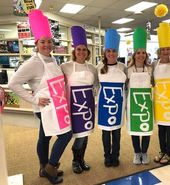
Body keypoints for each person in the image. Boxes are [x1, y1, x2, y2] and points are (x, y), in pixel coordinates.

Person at [8, 9, 72, 184]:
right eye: (42, 42)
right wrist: (34, 100)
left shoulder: (53, 59)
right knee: (66, 135)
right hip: (45, 108)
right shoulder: (33, 63)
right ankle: (51, 168)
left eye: (49, 41)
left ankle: (44, 168)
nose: (47, 45)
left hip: (56, 106)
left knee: (44, 137)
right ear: (36, 43)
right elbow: (13, 84)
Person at [61, 26, 98, 174]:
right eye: (79, 49)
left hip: (88, 105)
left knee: (86, 133)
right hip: (74, 106)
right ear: (74, 51)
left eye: (84, 49)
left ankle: (81, 160)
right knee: (78, 136)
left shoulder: (92, 68)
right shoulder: (65, 66)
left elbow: (96, 85)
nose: (81, 52)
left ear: (88, 52)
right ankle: (75, 161)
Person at [97, 29, 127, 167]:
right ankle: (106, 156)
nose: (111, 54)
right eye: (108, 51)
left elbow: (127, 85)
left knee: (116, 132)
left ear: (117, 53)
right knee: (105, 132)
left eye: (113, 51)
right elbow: (95, 85)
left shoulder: (123, 67)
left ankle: (115, 155)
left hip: (118, 104)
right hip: (104, 104)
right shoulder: (99, 67)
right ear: (105, 53)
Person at [152, 22, 170, 165]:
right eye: (162, 49)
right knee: (161, 128)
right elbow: (152, 81)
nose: (165, 52)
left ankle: (168, 154)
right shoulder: (153, 65)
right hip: (159, 101)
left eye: (167, 49)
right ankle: (162, 151)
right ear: (159, 51)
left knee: (169, 128)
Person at [126, 27, 153, 165]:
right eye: (138, 53)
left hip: (146, 103)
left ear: (146, 55)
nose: (141, 55)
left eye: (143, 53)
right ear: (134, 55)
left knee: (146, 129)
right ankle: (137, 153)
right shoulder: (128, 70)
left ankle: (145, 152)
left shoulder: (150, 69)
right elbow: (125, 87)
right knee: (135, 129)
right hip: (133, 103)